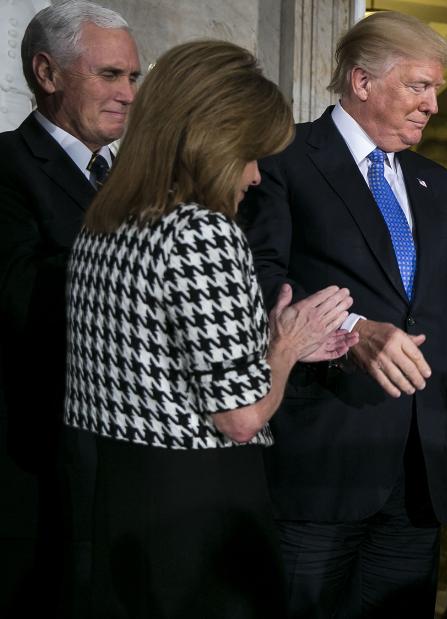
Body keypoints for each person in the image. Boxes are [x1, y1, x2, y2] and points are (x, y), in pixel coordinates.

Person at [237, 10, 447, 616]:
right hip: (319, 463)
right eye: (418, 85)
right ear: (361, 81)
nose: (432, 103)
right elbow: (258, 279)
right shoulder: (284, 157)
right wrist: (349, 332)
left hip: (418, 472)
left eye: (435, 89)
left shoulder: (438, 184)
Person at [64, 40, 357, 617]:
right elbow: (241, 418)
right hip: (199, 513)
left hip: (115, 505)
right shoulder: (203, 233)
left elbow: (158, 363)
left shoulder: (101, 225)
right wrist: (285, 346)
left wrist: (269, 343)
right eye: (250, 154)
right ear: (210, 141)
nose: (254, 176)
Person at [0, 2, 139, 613]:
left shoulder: (136, 178)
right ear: (47, 74)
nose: (128, 94)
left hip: (124, 468)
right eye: (110, 75)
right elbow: (20, 293)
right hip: (34, 471)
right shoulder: (5, 166)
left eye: (134, 77)